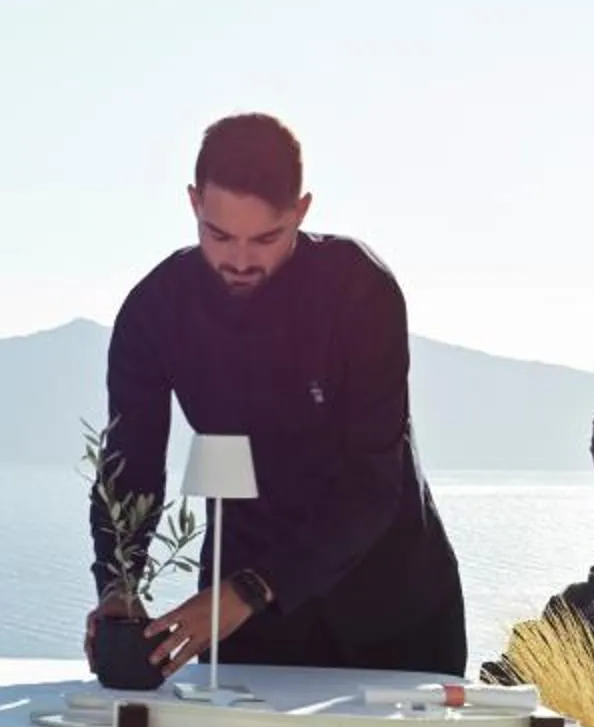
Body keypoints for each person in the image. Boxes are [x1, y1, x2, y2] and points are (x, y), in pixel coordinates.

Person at [87, 112, 467, 682]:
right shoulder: (155, 310)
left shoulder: (358, 290)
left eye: (266, 238)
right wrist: (118, 586)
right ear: (194, 203)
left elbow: (373, 482)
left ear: (302, 211)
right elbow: (132, 464)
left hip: (391, 609)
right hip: (245, 624)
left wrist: (247, 590)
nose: (240, 260)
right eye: (219, 236)